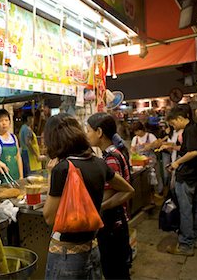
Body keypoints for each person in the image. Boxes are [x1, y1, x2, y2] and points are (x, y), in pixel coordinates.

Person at [43, 113, 134, 280]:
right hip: (92, 248)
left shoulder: (62, 168)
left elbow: (49, 217)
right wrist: (98, 207)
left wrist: (51, 176)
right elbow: (128, 190)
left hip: (66, 254)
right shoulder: (99, 162)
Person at [87, 113, 134, 280]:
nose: (87, 135)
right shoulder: (114, 152)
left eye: (89, 130)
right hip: (118, 223)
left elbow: (111, 192)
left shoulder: (110, 158)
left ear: (99, 132)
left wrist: (95, 205)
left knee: (114, 271)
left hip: (113, 224)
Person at [164, 106, 197, 256]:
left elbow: (193, 151)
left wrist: (177, 163)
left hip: (187, 176)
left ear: (180, 119)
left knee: (186, 210)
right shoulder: (193, 129)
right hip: (194, 175)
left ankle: (186, 245)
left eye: (174, 124)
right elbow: (189, 148)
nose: (173, 127)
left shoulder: (189, 130)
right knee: (196, 207)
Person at [130, 121, 163, 200]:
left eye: (137, 131)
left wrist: (150, 145)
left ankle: (159, 192)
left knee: (156, 176)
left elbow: (158, 144)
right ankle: (149, 196)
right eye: (135, 132)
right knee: (146, 179)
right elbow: (132, 148)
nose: (136, 133)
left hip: (151, 160)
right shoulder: (135, 139)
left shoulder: (150, 136)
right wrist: (133, 152)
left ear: (141, 129)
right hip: (141, 162)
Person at [19, 112, 42, 177]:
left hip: (25, 153)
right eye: (31, 118)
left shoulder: (22, 128)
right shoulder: (27, 129)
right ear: (28, 118)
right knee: (32, 175)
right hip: (29, 155)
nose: (32, 119)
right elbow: (28, 143)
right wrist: (36, 155)